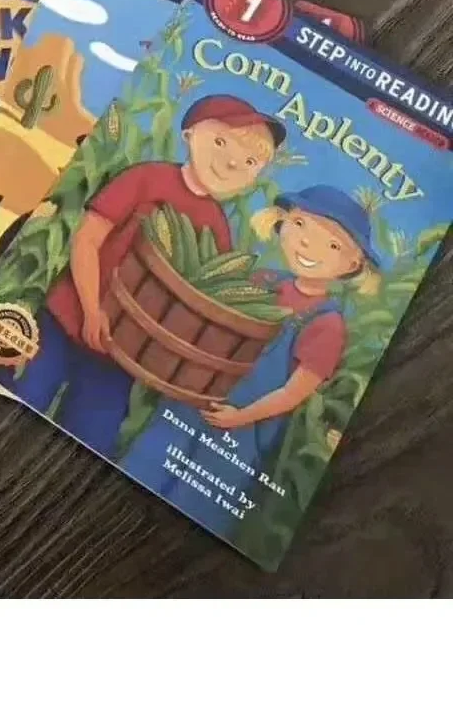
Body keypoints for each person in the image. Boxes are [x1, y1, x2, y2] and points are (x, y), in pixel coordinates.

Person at [0, 94, 286, 456]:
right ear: (189, 134)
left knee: (90, 440)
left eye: (250, 161)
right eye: (221, 142)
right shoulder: (147, 178)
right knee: (15, 399)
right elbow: (88, 239)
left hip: (122, 358)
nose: (230, 162)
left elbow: (197, 306)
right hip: (65, 319)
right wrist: (91, 309)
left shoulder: (216, 230)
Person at [121, 184, 380, 536]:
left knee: (195, 514)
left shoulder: (327, 324)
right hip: (191, 402)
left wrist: (239, 417)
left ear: (352, 264)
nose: (308, 244)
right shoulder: (261, 279)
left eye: (333, 245)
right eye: (301, 225)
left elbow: (294, 393)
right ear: (282, 220)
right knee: (139, 471)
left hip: (243, 432)